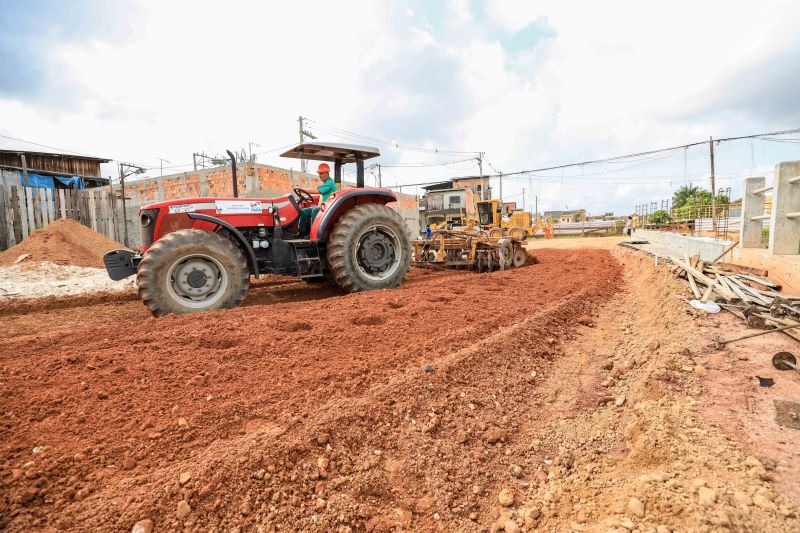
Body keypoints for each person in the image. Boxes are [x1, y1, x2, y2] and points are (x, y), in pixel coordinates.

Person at [297, 163, 337, 238]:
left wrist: (302, 189)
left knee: (315, 210)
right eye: (319, 173)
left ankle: (313, 234)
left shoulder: (330, 183)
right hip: (324, 207)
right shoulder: (327, 183)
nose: (320, 175)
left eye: (321, 173)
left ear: (327, 173)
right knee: (305, 211)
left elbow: (317, 191)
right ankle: (301, 233)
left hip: (329, 208)